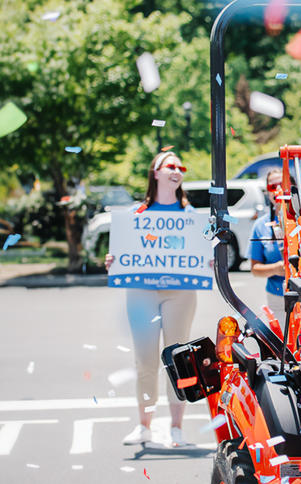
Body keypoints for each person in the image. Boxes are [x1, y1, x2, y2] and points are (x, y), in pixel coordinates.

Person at [105, 151, 197, 447]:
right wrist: (113, 261)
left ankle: (176, 427)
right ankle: (144, 425)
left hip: (179, 292)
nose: (177, 170)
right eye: (170, 166)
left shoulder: (189, 216)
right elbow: (122, 254)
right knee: (145, 362)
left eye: (180, 167)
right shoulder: (136, 215)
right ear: (155, 173)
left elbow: (200, 253)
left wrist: (205, 262)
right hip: (142, 292)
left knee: (176, 358)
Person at [246, 169, 286, 329]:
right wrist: (277, 268)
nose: (277, 189)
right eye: (272, 186)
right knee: (284, 349)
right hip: (277, 296)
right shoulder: (261, 225)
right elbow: (255, 268)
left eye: (281, 185)